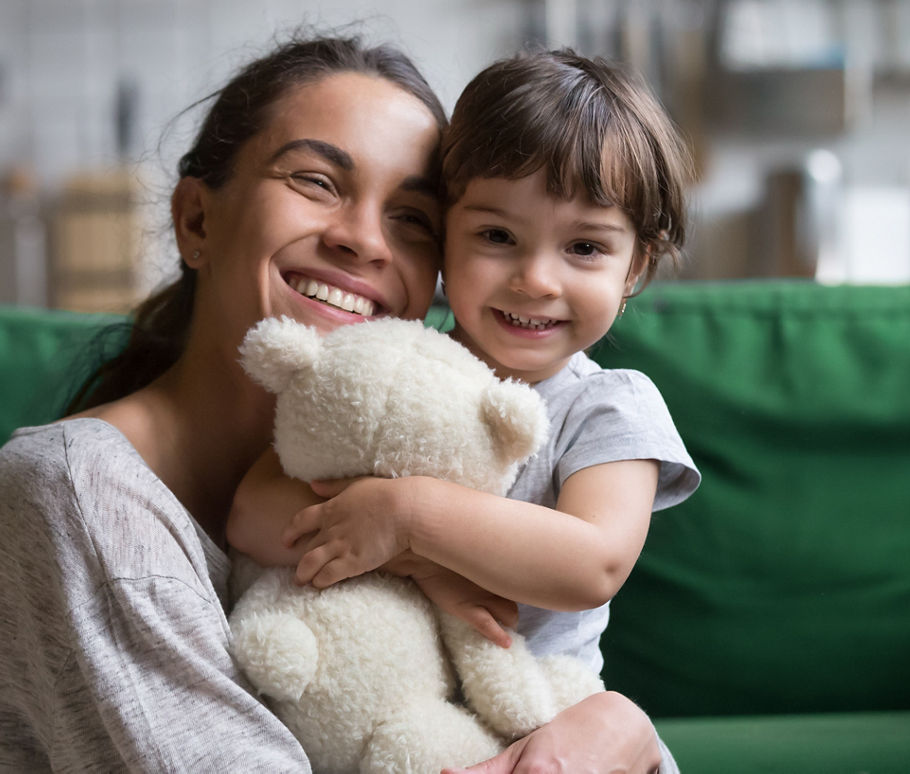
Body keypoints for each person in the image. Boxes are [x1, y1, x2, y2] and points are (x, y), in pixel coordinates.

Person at [0, 33, 671, 773]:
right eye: (317, 182)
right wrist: (621, 736)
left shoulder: (443, 433)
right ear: (197, 220)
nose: (365, 241)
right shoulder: (79, 499)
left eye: (411, 218)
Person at [228, 50, 699, 773]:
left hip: (549, 717)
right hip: (402, 720)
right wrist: (423, 569)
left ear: (635, 266)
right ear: (445, 236)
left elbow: (592, 562)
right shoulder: (391, 367)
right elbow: (255, 510)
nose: (536, 278)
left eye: (584, 247)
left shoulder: (607, 403)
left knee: (604, 723)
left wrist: (410, 519)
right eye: (497, 237)